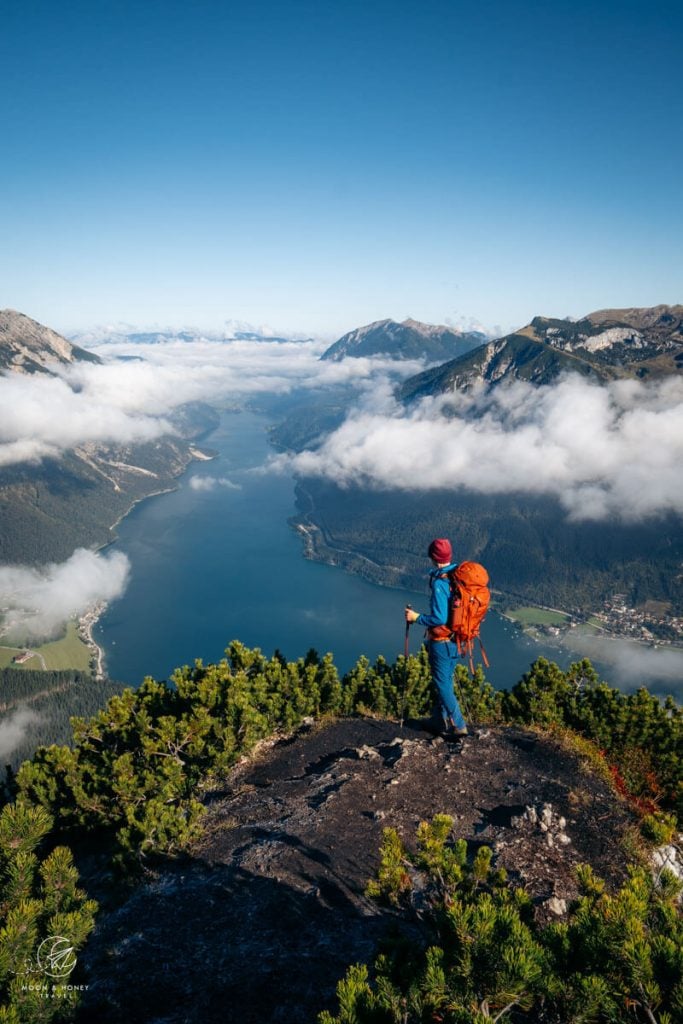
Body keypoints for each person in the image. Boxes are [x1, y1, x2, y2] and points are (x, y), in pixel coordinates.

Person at [405, 538, 468, 738]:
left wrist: (416, 618)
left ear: (433, 558)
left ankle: (459, 725)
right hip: (458, 640)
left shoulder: (441, 582)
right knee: (446, 681)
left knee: (442, 684)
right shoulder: (458, 577)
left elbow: (439, 617)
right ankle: (438, 720)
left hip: (442, 643)